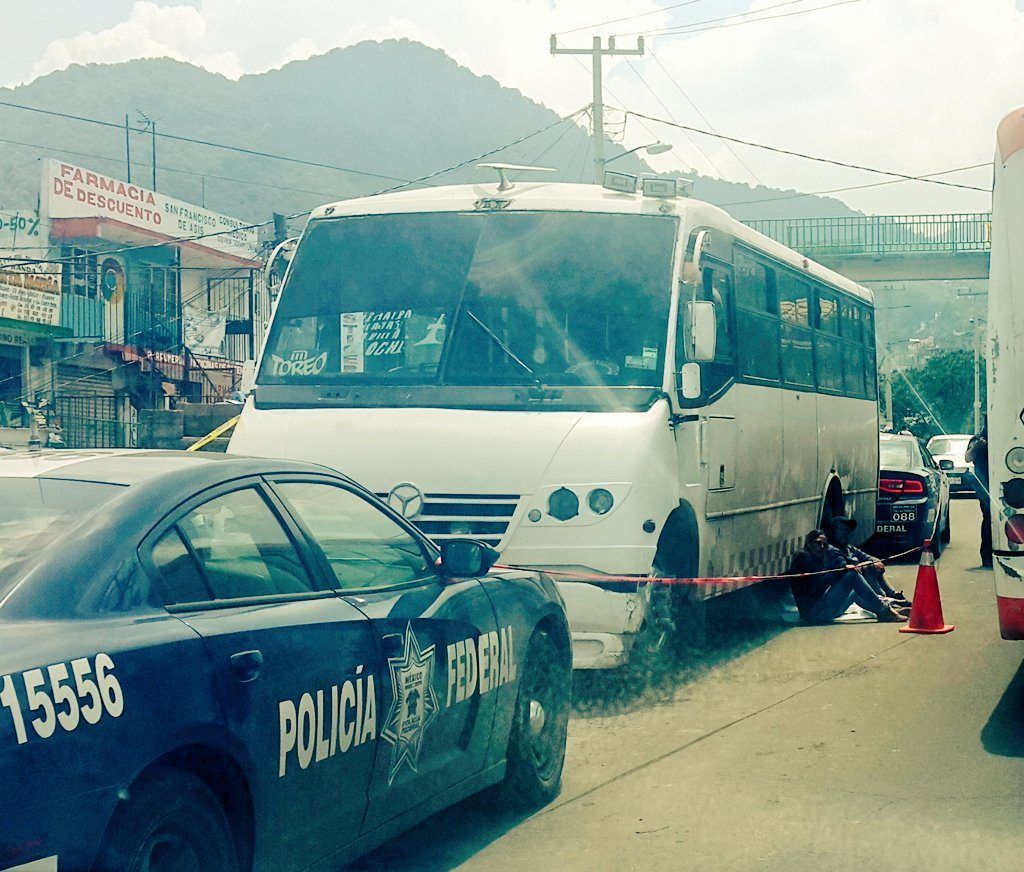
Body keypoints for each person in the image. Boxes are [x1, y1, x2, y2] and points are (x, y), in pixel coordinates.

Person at [788, 529, 908, 624]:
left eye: (824, 544)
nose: (822, 547)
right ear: (808, 543)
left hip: (824, 608)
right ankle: (884, 611)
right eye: (818, 543)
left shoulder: (823, 555)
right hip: (813, 614)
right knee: (851, 575)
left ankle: (885, 610)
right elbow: (817, 585)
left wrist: (840, 572)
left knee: (855, 590)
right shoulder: (803, 557)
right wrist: (840, 571)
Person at [825, 516, 911, 608]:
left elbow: (867, 556)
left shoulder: (848, 547)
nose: (844, 533)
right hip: (848, 588)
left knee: (873, 566)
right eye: (840, 530)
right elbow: (845, 569)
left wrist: (875, 562)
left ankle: (892, 593)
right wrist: (868, 565)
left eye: (846, 530)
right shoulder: (832, 550)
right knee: (868, 568)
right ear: (832, 532)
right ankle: (881, 597)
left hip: (862, 581)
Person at [966, 424, 992, 567]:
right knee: (988, 519)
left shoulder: (1002, 437)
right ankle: (986, 555)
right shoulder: (977, 440)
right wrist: (977, 446)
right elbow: (967, 458)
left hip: (1002, 484)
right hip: (984, 485)